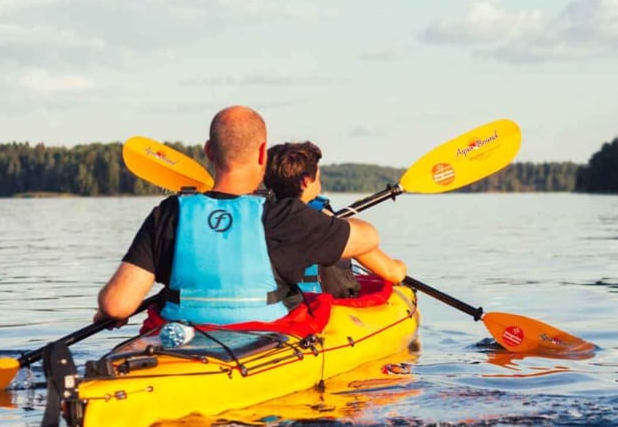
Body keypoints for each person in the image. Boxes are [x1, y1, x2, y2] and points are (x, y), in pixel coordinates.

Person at [95, 106, 403, 325]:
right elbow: (369, 237)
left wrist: (109, 316)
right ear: (262, 154)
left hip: (182, 343)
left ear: (208, 152)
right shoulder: (286, 218)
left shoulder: (170, 213)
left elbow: (117, 304)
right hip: (264, 345)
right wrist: (327, 220)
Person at [263, 140, 407, 298]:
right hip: (323, 308)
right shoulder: (323, 225)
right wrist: (402, 267)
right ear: (305, 182)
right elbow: (393, 272)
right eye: (318, 178)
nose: (320, 183)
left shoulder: (258, 215)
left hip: (279, 303)